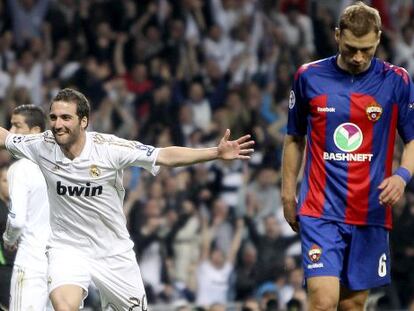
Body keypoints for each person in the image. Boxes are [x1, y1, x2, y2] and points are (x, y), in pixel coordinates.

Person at [0, 87, 254, 311]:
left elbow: (164, 155)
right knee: (64, 306)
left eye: (66, 117)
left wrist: (215, 153)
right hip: (67, 247)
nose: (57, 124)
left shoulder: (109, 149)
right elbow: (6, 138)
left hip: (113, 250)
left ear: (84, 121)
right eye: (53, 117)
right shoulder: (41, 144)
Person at [281, 2, 414, 311]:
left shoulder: (397, 81)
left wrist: (402, 176)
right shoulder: (309, 77)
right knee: (323, 302)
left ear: (379, 39)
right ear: (338, 35)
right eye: (351, 47)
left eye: (366, 49)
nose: (358, 57)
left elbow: (412, 140)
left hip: (370, 210)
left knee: (352, 306)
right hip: (320, 208)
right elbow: (293, 138)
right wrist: (288, 192)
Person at [2, 105, 51, 311]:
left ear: (35, 132)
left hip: (31, 261)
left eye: (17, 126)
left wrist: (8, 239)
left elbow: (17, 220)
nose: (10, 132)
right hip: (63, 261)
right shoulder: (60, 164)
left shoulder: (20, 168)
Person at [0, 163, 14, 311]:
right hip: (3, 268)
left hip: (15, 267)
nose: (10, 185)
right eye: (5, 181)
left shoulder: (14, 207)